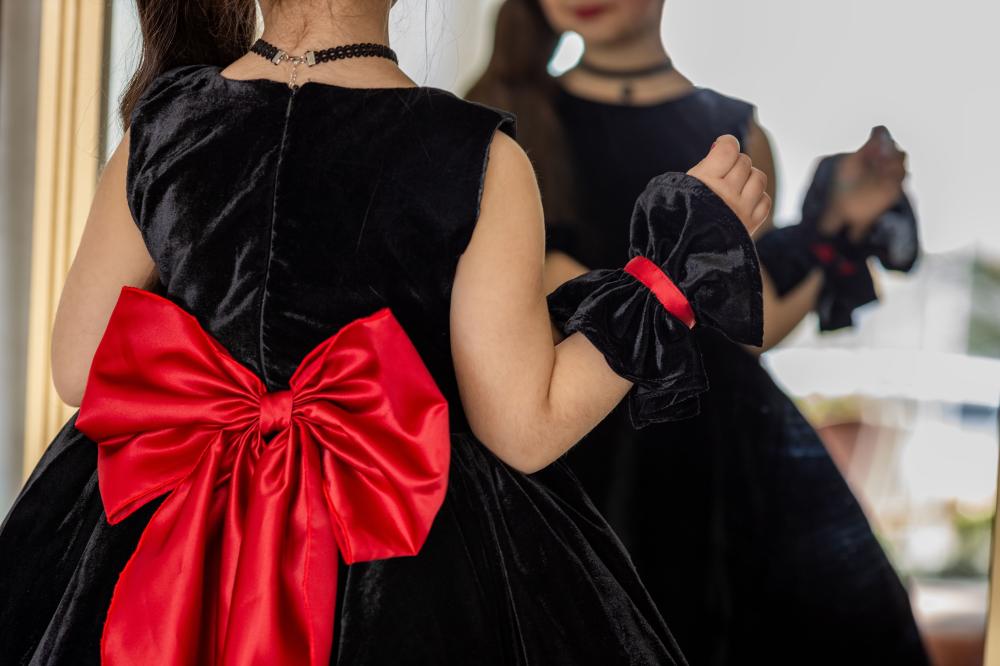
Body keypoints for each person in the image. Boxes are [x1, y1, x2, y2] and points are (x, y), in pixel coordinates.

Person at [0, 0, 772, 664]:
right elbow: (524, 426)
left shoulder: (161, 124)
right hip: (395, 555)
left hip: (165, 540)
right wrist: (672, 277)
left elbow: (79, 369)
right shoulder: (479, 154)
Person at [468, 1, 928, 665]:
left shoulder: (734, 132)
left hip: (714, 459)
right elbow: (544, 291)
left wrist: (838, 221)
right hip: (570, 444)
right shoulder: (505, 116)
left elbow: (751, 323)